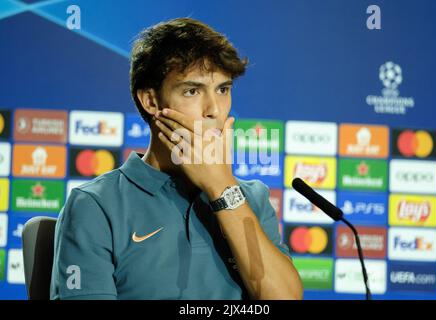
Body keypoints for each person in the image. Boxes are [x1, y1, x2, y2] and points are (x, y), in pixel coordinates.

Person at [50, 17, 303, 300]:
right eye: (192, 91)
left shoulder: (252, 198)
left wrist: (222, 189)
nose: (214, 110)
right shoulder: (96, 205)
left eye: (223, 89)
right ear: (151, 101)